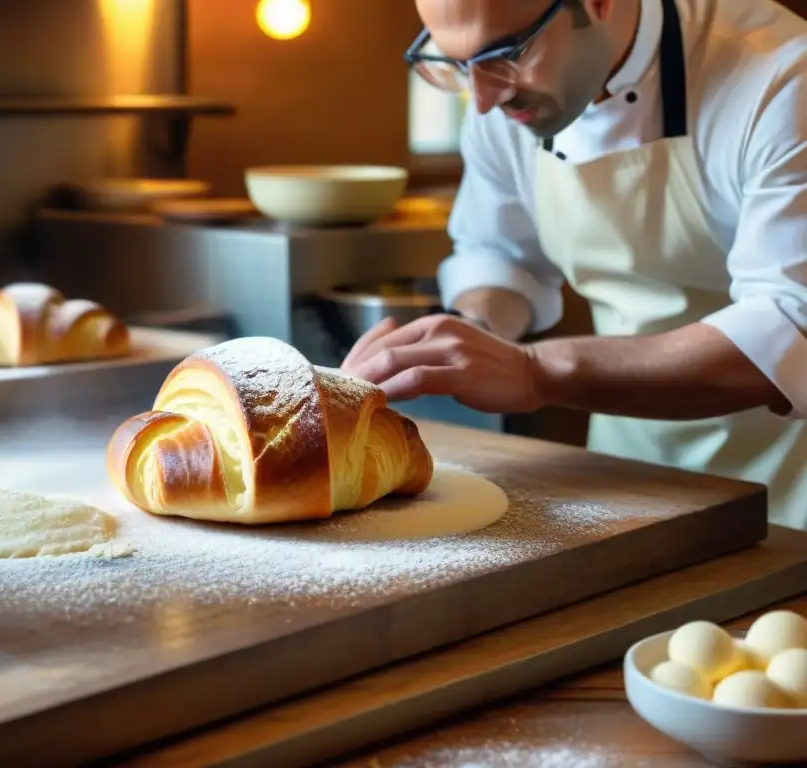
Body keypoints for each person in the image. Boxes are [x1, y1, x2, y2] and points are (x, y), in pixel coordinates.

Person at [340, 0, 807, 529]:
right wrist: (472, 336)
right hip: (626, 476)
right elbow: (500, 253)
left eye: (508, 53)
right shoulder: (500, 95)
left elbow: (788, 328)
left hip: (791, 484)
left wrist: (534, 371)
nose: (486, 99)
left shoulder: (783, 78)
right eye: (456, 64)